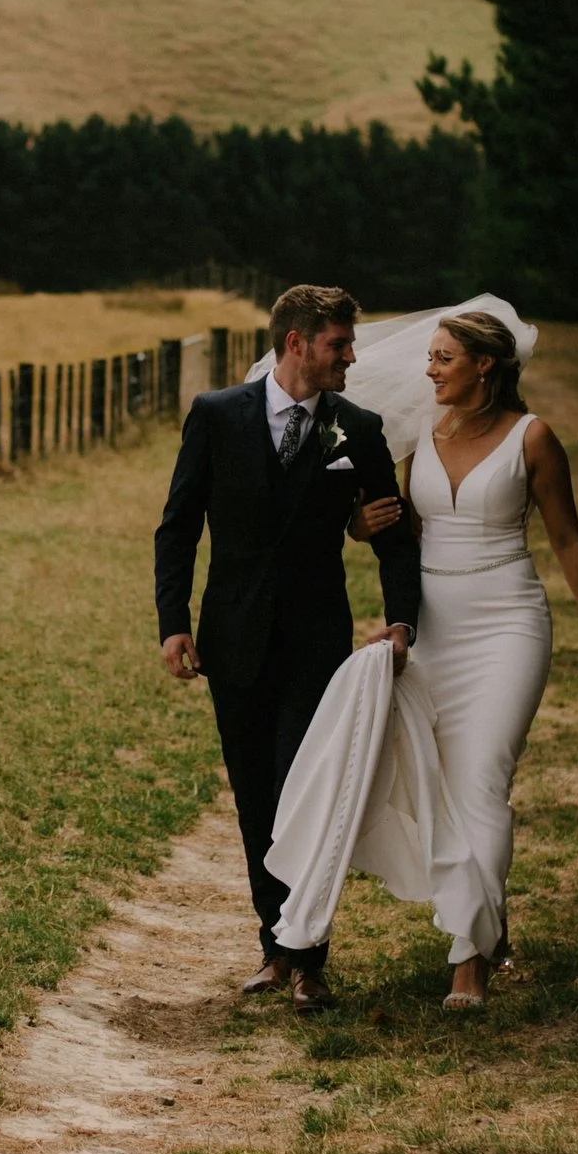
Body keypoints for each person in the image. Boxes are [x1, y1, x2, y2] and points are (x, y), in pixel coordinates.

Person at [266, 306, 578, 1009]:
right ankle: (486, 919)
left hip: (508, 622)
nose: (427, 370)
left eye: (443, 358)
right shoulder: (415, 436)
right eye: (429, 356)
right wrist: (357, 528)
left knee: (482, 781)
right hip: (435, 623)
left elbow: (570, 539)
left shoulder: (534, 438)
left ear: (484, 365)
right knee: (442, 783)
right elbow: (397, 529)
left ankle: (469, 960)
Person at [153, 285, 421, 1013]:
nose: (352, 357)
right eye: (340, 344)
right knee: (256, 799)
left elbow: (394, 539)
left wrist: (401, 623)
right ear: (298, 342)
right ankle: (274, 944)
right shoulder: (216, 417)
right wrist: (172, 621)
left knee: (307, 795)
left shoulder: (358, 429)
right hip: (231, 641)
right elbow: (178, 526)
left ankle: (309, 959)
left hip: (315, 644)